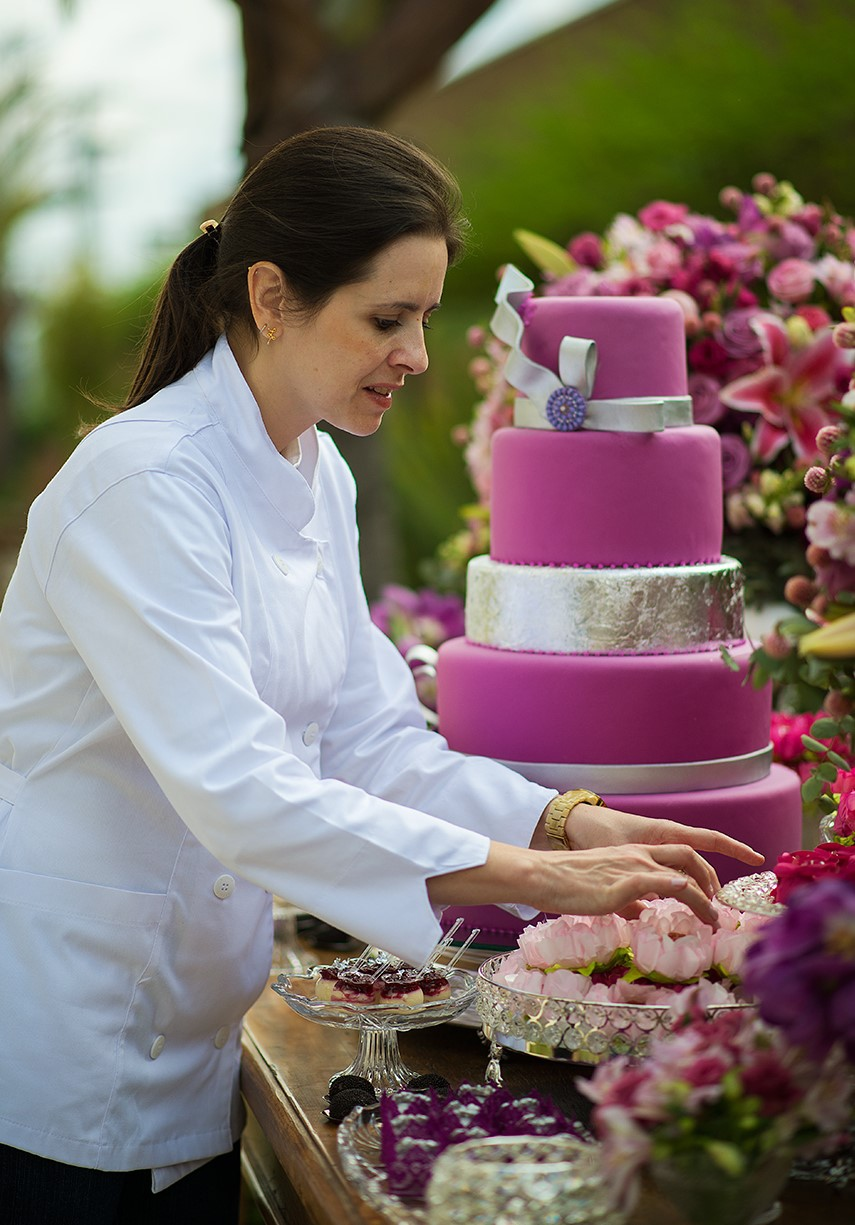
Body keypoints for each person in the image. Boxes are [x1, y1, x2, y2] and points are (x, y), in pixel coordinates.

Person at [0, 125, 763, 1223]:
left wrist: (566, 824)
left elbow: (369, 741)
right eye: (386, 318)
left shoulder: (316, 474)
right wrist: (537, 881)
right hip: (60, 1057)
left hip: (194, 1038)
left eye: (426, 318)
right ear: (270, 297)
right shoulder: (139, 483)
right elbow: (242, 794)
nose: (417, 355)